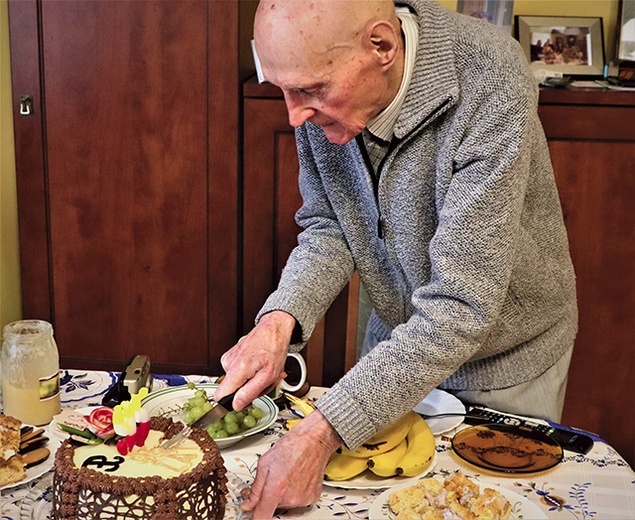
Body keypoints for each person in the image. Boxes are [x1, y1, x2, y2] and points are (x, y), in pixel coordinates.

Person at [215, 0, 577, 517]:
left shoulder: (489, 74)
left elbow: (460, 305)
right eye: (284, 90)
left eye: (311, 91)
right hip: (397, 342)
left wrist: (321, 433)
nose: (294, 116)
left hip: (507, 356)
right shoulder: (316, 90)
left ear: (381, 46)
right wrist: (279, 319)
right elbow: (330, 224)